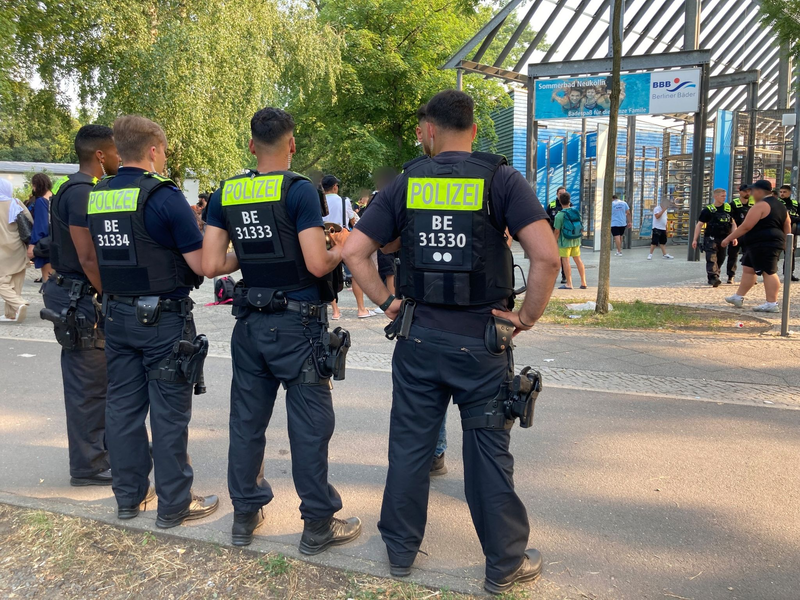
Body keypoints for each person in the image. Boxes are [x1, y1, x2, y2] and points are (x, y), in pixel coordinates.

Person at [343, 89, 560, 595]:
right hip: (481, 345)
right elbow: (546, 257)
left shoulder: (405, 182)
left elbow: (355, 252)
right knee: (487, 450)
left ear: (430, 131)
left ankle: (399, 552)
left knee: (410, 446)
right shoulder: (501, 178)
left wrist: (387, 304)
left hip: (417, 339)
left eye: (421, 129)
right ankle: (504, 563)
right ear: (475, 131)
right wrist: (524, 318)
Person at [201, 107, 362, 551]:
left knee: (246, 423)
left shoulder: (227, 192)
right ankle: (316, 526)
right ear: (291, 144)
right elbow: (315, 263)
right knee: (309, 426)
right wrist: (343, 247)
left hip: (249, 324)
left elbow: (212, 264)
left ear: (251, 144)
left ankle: (245, 516)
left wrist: (250, 255)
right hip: (300, 326)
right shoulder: (300, 190)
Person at [87, 115, 217, 526]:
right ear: (154, 149)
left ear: (117, 149)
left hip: (117, 314)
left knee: (122, 408)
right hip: (163, 320)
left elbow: (95, 256)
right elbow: (201, 263)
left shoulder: (100, 194)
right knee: (168, 413)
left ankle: (128, 498)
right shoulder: (163, 196)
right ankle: (174, 504)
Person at [41, 125, 119, 486]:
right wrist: (109, 296)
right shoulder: (83, 192)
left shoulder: (71, 188)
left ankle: (104, 450)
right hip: (80, 296)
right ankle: (88, 465)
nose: (121, 158)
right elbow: (88, 257)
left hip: (73, 293)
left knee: (97, 379)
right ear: (100, 156)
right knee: (88, 384)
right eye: (116, 152)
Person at [722, 180, 789, 312]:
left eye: (752, 191)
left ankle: (772, 303)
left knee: (768, 271)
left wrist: (729, 238)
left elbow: (746, 226)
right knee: (748, 268)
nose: (751, 194)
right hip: (765, 242)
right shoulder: (780, 205)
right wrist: (787, 240)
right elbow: (787, 223)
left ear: (759, 191)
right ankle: (738, 296)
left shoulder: (760, 205)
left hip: (765, 243)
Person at [323, 175, 375, 319]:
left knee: (328, 276)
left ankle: (335, 311)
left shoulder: (318, 201)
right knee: (354, 275)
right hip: (342, 239)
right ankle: (361, 309)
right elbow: (353, 220)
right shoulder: (344, 200)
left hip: (326, 241)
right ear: (335, 187)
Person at [0, 180, 31, 323]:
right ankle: (11, 314)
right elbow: (30, 220)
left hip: (2, 249)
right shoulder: (16, 202)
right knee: (16, 279)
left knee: (2, 282)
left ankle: (18, 304)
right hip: (18, 246)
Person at [692, 188, 736, 287]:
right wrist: (695, 239)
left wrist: (734, 237)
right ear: (715, 197)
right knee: (711, 258)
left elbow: (733, 223)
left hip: (724, 237)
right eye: (722, 196)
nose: (724, 198)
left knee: (721, 258)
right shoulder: (708, 210)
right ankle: (713, 277)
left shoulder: (728, 208)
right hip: (711, 237)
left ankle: (715, 275)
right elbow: (699, 224)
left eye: (725, 196)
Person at [554, 193, 587, 289]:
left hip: (564, 242)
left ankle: (569, 283)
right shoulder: (575, 211)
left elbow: (557, 231)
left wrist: (553, 243)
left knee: (566, 261)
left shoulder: (559, 215)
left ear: (560, 202)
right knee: (578, 260)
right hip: (576, 240)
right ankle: (583, 282)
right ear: (569, 201)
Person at [28, 173, 53, 282]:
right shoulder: (55, 198)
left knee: (47, 279)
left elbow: (40, 225)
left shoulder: (41, 201)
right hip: (57, 240)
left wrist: (32, 245)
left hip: (45, 244)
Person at [727, 184, 755, 283]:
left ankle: (751, 276)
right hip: (737, 233)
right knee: (733, 255)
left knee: (750, 255)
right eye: (745, 191)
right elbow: (730, 219)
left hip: (750, 233)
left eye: (748, 191)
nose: (747, 193)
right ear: (740, 192)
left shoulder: (754, 204)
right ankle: (731, 276)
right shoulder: (733, 204)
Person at [546, 186, 567, 283]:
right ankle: (550, 276)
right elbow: (546, 218)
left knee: (564, 257)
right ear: (556, 194)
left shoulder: (569, 204)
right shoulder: (552, 205)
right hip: (553, 234)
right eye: (560, 193)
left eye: (563, 193)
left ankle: (564, 276)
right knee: (552, 257)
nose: (562, 195)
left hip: (564, 235)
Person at [778, 184, 799, 281]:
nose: (782, 194)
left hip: (792, 230)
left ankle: (789, 273)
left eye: (784, 192)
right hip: (779, 229)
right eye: (781, 192)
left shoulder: (794, 203)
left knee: (790, 252)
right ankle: (771, 273)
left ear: (789, 193)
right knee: (776, 252)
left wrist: (795, 219)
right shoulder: (777, 202)